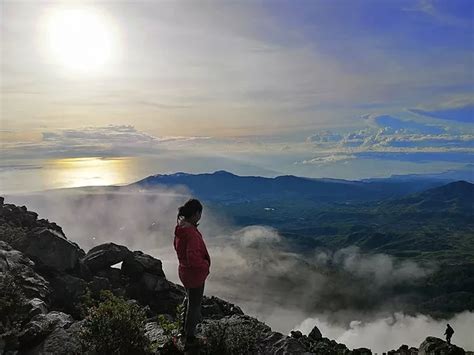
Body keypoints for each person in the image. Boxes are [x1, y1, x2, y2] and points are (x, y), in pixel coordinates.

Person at [173, 198, 211, 350]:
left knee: (189, 300)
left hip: (184, 271)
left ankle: (183, 331)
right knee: (195, 305)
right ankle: (190, 338)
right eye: (200, 213)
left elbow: (179, 250)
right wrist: (205, 265)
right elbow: (193, 258)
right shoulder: (191, 233)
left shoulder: (181, 229)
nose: (200, 216)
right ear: (196, 214)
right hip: (194, 274)